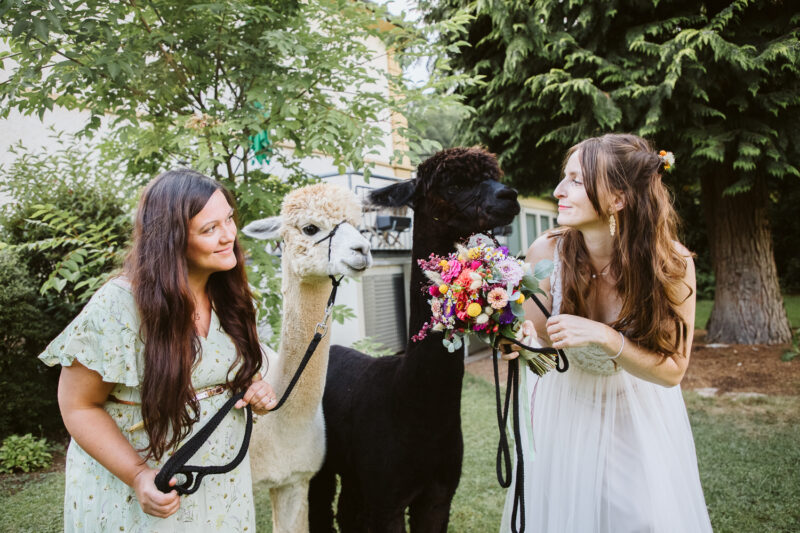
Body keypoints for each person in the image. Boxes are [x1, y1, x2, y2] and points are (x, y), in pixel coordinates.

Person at [39, 169, 279, 532]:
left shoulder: (230, 295)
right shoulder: (119, 306)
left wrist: (254, 388)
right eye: (209, 229)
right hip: (140, 489)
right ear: (172, 239)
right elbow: (78, 405)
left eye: (229, 219)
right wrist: (138, 476)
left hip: (220, 489)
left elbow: (233, 373)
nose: (228, 235)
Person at [500, 134, 713, 532]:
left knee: (644, 520)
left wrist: (605, 336)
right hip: (564, 409)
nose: (558, 190)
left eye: (576, 180)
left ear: (618, 198)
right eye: (564, 177)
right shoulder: (546, 252)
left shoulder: (672, 264)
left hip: (633, 412)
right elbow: (536, 337)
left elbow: (673, 371)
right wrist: (517, 342)